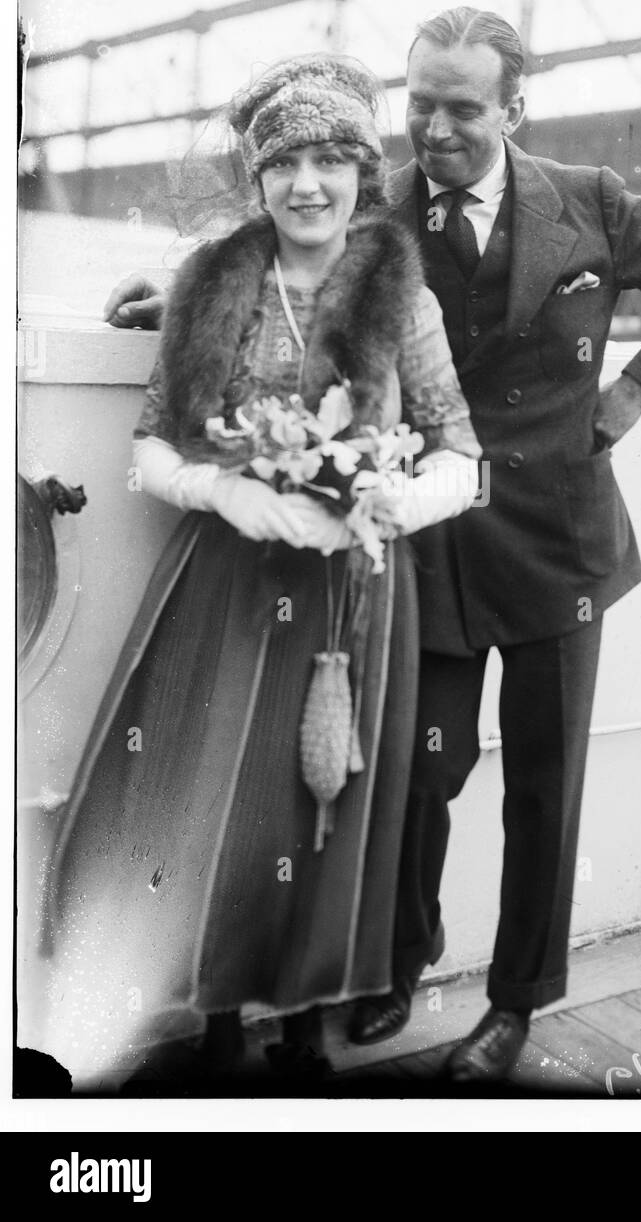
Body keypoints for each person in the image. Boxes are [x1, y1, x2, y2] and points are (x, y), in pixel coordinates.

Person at [105, 8, 641, 1085]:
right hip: (433, 549)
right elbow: (284, 257)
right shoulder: (381, 202)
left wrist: (632, 395)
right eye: (421, 102)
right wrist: (177, 296)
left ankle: (514, 1005)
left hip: (561, 548)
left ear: (512, 107)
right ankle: (397, 966)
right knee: (418, 770)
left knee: (545, 785)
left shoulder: (588, 200)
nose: (437, 127)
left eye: (462, 107)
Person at [44, 53, 481, 1088]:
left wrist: (390, 499)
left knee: (318, 799)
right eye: (287, 161)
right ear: (258, 178)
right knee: (213, 793)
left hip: (351, 592)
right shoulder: (210, 288)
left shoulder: (397, 298)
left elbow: (461, 457)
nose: (309, 184)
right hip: (225, 587)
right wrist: (233, 490)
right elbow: (152, 449)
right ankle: (219, 1018)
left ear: (362, 176)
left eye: (334, 158)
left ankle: (302, 1021)